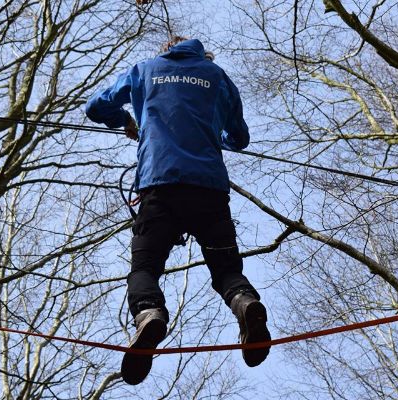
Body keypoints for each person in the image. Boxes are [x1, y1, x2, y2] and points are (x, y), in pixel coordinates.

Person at [85, 36, 271, 385]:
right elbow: (241, 137)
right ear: (204, 56)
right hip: (209, 191)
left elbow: (95, 106)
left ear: (166, 51)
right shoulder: (217, 77)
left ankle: (149, 312)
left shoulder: (144, 70)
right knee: (226, 270)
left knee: (145, 267)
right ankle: (245, 303)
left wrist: (126, 120)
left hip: (160, 186)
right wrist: (218, 135)